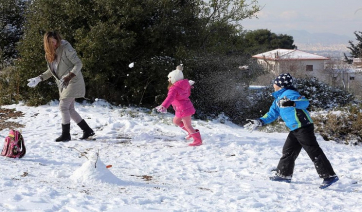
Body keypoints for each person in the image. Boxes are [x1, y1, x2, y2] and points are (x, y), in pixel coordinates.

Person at [244, 73, 338, 189]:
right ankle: (284, 175)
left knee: (313, 150)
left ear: (280, 85)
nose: (273, 84)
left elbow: (305, 102)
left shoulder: (290, 94)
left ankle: (329, 176)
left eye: (275, 82)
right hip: (295, 128)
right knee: (288, 151)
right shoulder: (278, 99)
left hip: (303, 126)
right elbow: (272, 114)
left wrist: (292, 103)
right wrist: (260, 121)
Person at [27, 31, 94, 142]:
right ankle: (87, 130)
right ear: (46, 44)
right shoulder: (49, 54)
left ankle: (66, 135)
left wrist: (69, 77)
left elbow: (78, 64)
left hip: (73, 81)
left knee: (63, 107)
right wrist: (38, 79)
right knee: (70, 109)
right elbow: (51, 71)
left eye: (55, 41)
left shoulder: (66, 47)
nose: (54, 44)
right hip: (64, 84)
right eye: (51, 43)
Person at [156, 65, 202, 146]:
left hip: (184, 109)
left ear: (174, 78)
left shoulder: (174, 88)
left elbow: (169, 98)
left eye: (170, 78)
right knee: (176, 121)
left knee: (188, 125)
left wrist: (163, 106)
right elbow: (186, 93)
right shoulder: (184, 85)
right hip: (181, 108)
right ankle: (191, 133)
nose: (168, 79)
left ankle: (197, 140)